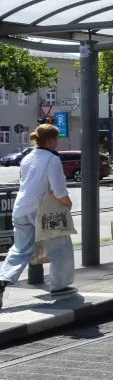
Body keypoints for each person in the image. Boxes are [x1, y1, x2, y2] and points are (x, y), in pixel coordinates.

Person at [0, 124, 75, 307]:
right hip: (43, 211)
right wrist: (67, 203)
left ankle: (2, 280)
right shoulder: (52, 159)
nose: (57, 142)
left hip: (21, 208)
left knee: (20, 249)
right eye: (56, 139)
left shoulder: (27, 158)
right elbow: (58, 190)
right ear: (50, 140)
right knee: (60, 247)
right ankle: (60, 286)